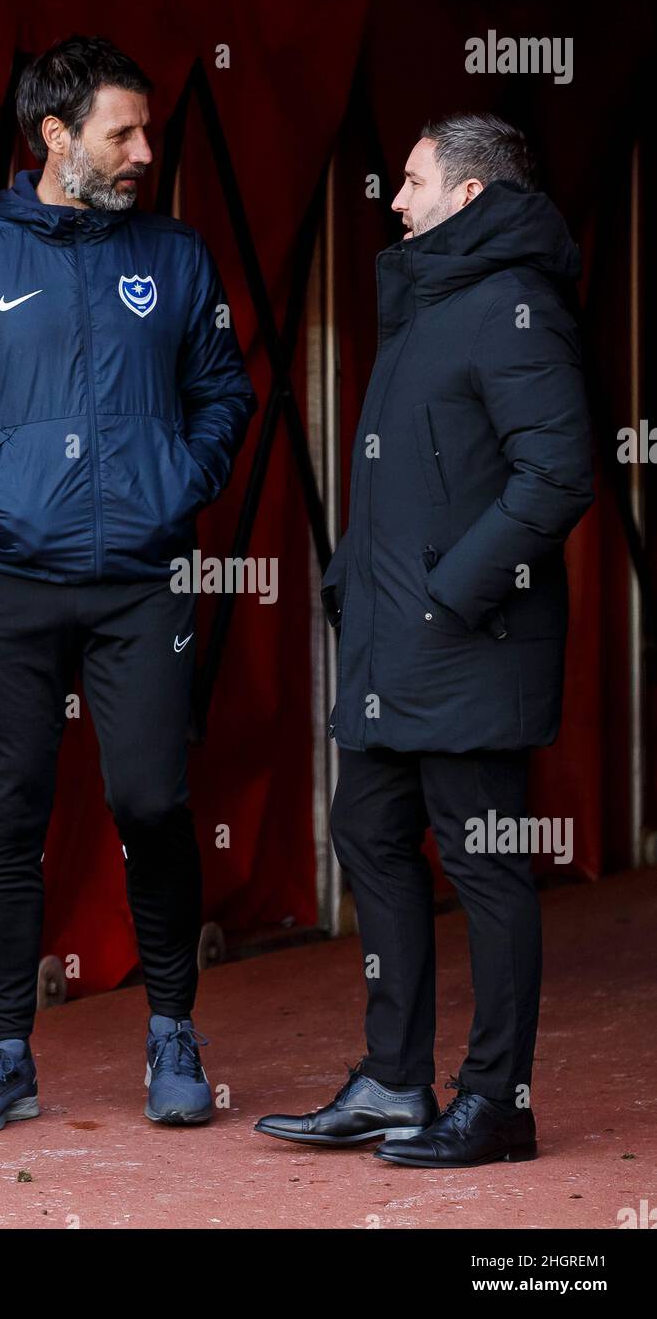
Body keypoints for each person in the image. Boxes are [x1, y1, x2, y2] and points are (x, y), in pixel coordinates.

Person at [0, 35, 256, 1133]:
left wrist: (184, 474)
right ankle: (4, 1055)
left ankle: (172, 1033)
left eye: (146, 130)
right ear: (53, 135)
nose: (143, 149)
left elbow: (227, 391)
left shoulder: (175, 255)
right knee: (8, 812)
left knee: (151, 799)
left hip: (139, 578)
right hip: (5, 577)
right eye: (121, 131)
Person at [255, 113, 593, 1167]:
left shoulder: (511, 306)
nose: (392, 201)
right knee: (369, 834)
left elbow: (558, 476)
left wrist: (448, 595)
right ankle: (396, 1080)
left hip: (467, 641)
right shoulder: (430, 305)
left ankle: (498, 1102)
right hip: (393, 645)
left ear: (470, 195)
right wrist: (354, 579)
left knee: (486, 869)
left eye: (409, 182)